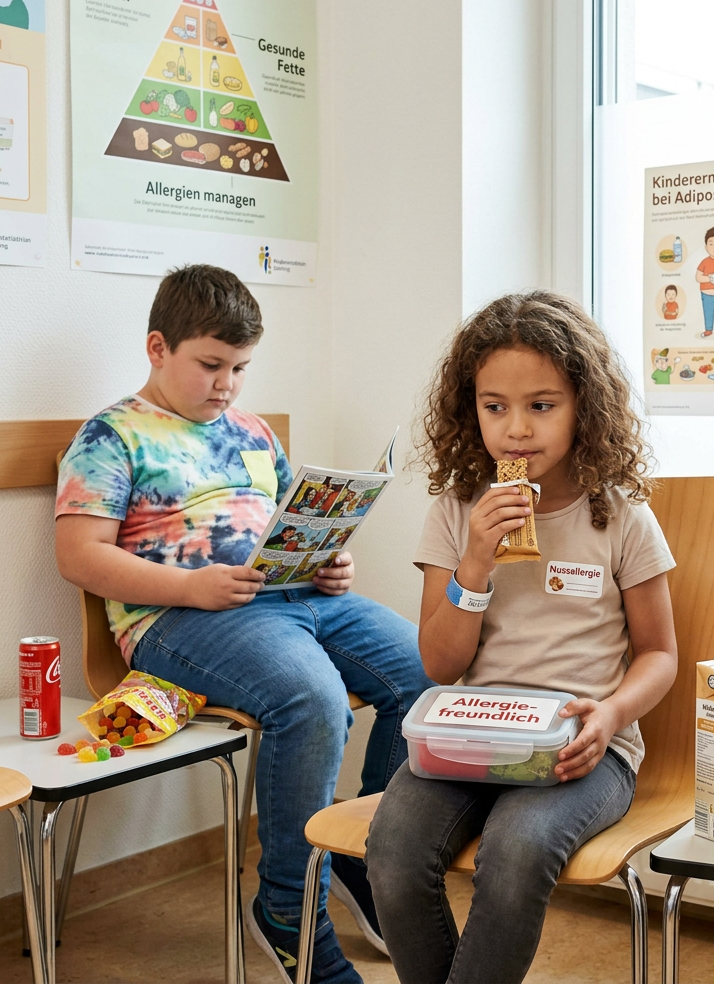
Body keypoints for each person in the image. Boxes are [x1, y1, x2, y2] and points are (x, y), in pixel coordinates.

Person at [54, 265, 432, 984]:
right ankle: (291, 913)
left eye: (240, 368)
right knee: (312, 699)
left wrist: (329, 564)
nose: (226, 383)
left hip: (292, 599)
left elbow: (285, 526)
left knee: (427, 671)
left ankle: (359, 859)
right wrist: (190, 586)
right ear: (158, 347)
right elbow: (79, 556)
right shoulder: (112, 434)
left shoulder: (253, 433)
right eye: (211, 365)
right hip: (177, 620)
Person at [365, 291, 679, 984]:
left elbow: (661, 653)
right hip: (470, 736)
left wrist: (613, 716)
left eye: (542, 405)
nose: (516, 429)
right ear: (468, 409)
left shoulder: (620, 516)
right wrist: (475, 561)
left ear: (583, 408)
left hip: (581, 748)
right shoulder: (456, 511)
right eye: (494, 406)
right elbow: (441, 662)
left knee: (516, 852)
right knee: (390, 850)